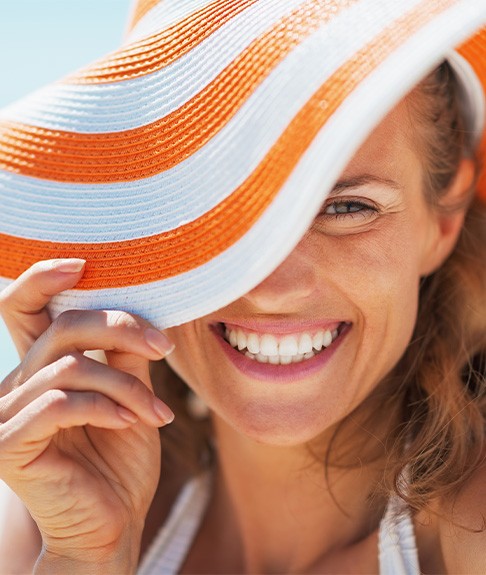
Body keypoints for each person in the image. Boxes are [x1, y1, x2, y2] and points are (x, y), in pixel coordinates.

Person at [0, 1, 485, 573]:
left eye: (349, 207)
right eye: (218, 216)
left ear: (443, 219)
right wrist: (86, 558)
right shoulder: (51, 517)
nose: (272, 288)